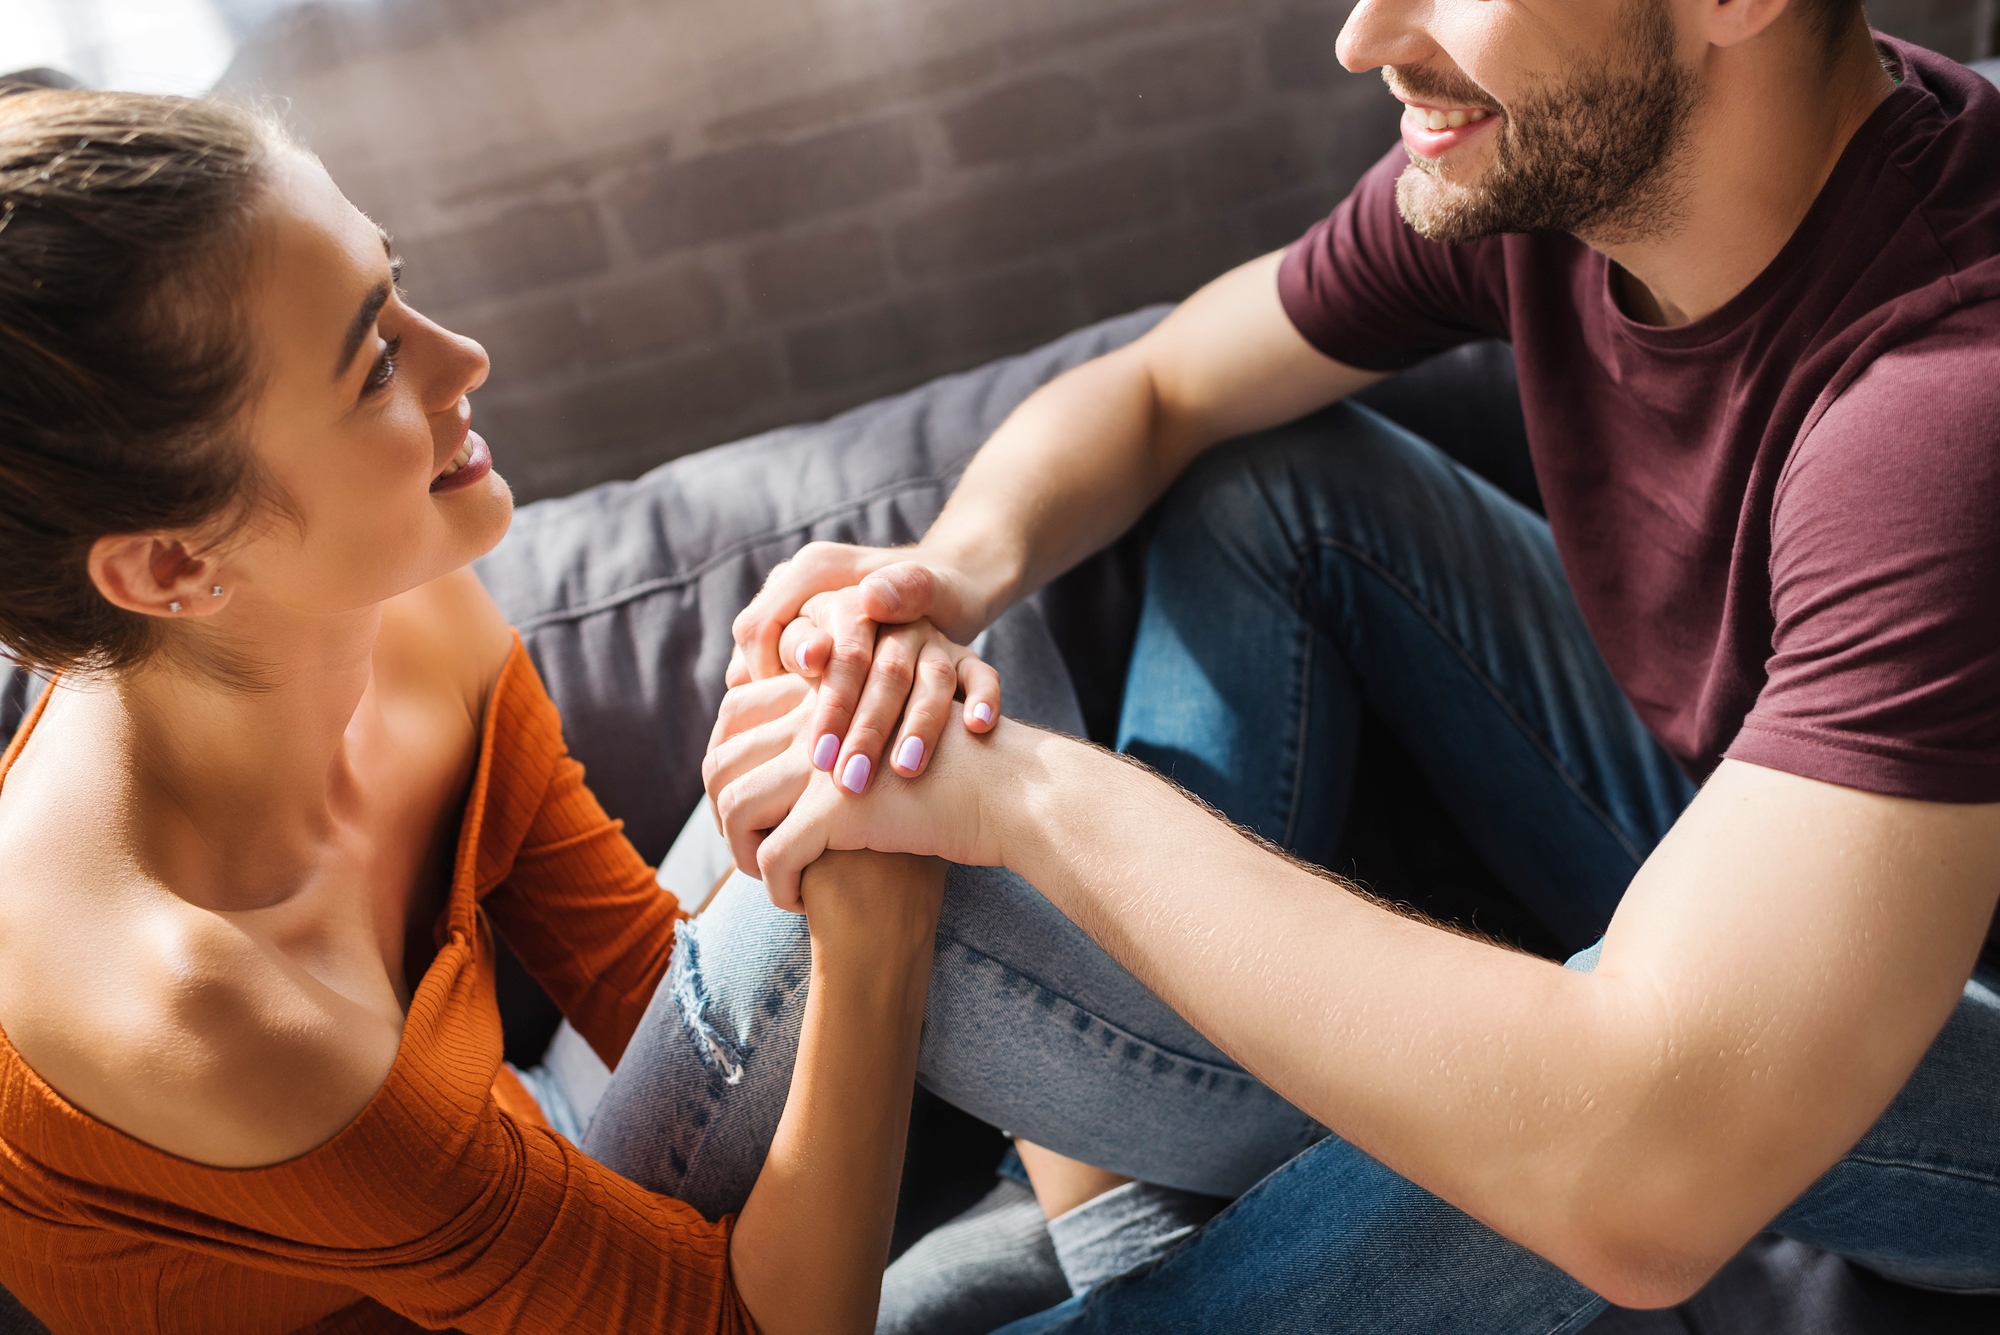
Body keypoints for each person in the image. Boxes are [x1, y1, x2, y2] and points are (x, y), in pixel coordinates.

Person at [715, 0, 2000, 1328]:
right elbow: (1160, 387)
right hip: (1749, 800)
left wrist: (1030, 801)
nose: (1363, 33)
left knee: (1649, 1075)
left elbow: (1648, 1167)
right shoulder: (1578, 166)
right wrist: (948, 568)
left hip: (1956, 1024)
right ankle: (1143, 1181)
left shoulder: (1945, 408)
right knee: (1279, 480)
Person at [0, 87, 961, 1335]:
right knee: (906, 764)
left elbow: (631, 973)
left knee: (910, 657)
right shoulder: (192, 999)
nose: (463, 359)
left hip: (544, 1173)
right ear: (174, 567)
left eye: (394, 282)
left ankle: (1090, 1212)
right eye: (377, 364)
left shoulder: (418, 606)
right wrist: (874, 929)